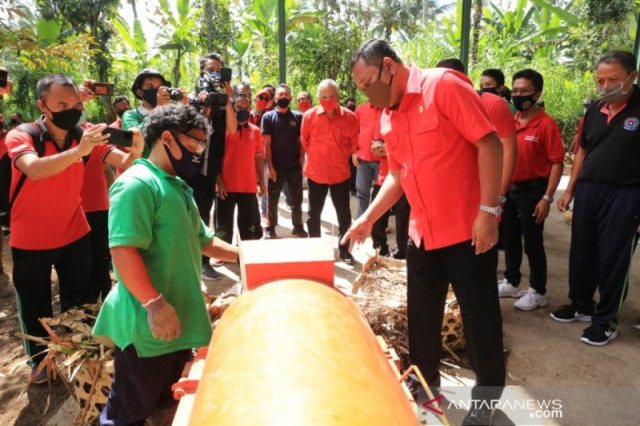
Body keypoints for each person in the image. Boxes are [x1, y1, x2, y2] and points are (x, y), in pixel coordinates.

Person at [347, 39, 505, 425]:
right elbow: (398, 176)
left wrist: (488, 212)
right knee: (421, 318)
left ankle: (485, 404)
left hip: (468, 231)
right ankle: (425, 385)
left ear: (388, 66)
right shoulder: (387, 115)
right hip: (422, 234)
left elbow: (490, 144)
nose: (366, 93)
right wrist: (368, 217)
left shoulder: (444, 86)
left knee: (479, 319)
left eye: (368, 83)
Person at [94, 104, 239, 425]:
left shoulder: (176, 186)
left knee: (165, 400)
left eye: (203, 145)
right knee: (127, 411)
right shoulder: (138, 184)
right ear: (167, 138)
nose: (200, 152)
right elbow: (123, 251)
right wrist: (156, 304)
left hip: (178, 320)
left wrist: (247, 256)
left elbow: (202, 240)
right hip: (148, 323)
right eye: (195, 143)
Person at [4, 74, 121, 382]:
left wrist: (136, 150)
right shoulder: (22, 135)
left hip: (75, 234)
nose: (71, 110)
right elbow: (34, 168)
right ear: (43, 104)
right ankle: (41, 365)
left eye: (76, 104)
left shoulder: (83, 136)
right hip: (30, 240)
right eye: (62, 104)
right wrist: (78, 152)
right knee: (35, 306)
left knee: (78, 301)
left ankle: (74, 355)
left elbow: (121, 159)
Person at [553, 51, 640, 346]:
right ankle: (581, 304)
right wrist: (570, 189)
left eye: (613, 80)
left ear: (633, 76)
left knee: (613, 257)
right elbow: (582, 151)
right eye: (600, 81)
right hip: (590, 190)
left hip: (627, 193)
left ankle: (606, 321)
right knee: (582, 250)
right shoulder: (595, 109)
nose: (605, 86)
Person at [496, 69, 564, 310]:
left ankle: (538, 291)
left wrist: (547, 198)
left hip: (533, 192)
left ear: (537, 94)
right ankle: (511, 282)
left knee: (533, 242)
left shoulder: (546, 125)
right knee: (510, 237)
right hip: (510, 190)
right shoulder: (510, 122)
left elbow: (557, 162)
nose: (518, 95)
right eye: (514, 91)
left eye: (524, 91)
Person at [436, 58, 517, 219]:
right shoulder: (437, 105)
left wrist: (498, 199)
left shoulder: (493, 104)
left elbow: (508, 151)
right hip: (450, 194)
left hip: (482, 194)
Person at [188, 53, 236, 279]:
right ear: (201, 72)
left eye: (218, 69)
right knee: (186, 215)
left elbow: (233, 129)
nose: (214, 73)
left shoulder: (223, 102)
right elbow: (190, 129)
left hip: (209, 171)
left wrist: (227, 100)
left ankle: (203, 262)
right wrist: (202, 106)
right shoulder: (191, 99)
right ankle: (187, 261)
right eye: (210, 69)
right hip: (189, 170)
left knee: (204, 215)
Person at [302, 79, 358, 264]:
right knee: (313, 214)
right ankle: (315, 250)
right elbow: (305, 141)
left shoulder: (350, 117)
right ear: (318, 97)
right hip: (316, 174)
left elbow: (353, 144)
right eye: (324, 97)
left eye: (332, 96)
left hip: (340, 174)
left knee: (343, 215)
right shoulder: (309, 116)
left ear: (338, 96)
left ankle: (344, 251)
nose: (328, 100)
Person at [215, 93, 264, 244]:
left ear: (250, 109)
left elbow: (258, 158)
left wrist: (262, 181)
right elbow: (215, 158)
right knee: (223, 223)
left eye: (246, 107)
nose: (243, 110)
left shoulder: (255, 131)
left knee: (247, 224)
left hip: (248, 186)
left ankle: (245, 252)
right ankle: (223, 253)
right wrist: (218, 182)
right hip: (226, 186)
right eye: (238, 107)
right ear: (232, 108)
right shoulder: (223, 130)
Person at [262, 84, 307, 239]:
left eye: (286, 95)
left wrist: (301, 162)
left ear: (291, 98)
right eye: (280, 95)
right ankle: (270, 227)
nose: (283, 97)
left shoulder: (298, 117)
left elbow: (301, 142)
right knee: (272, 200)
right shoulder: (268, 117)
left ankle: (298, 227)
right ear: (275, 98)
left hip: (294, 167)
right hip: (276, 168)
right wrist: (270, 167)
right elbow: (266, 144)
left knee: (296, 200)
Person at [123, 69, 188, 157]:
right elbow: (133, 140)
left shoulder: (172, 112)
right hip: (145, 167)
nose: (156, 90)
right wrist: (158, 110)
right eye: (150, 87)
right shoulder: (130, 115)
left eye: (160, 87)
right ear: (140, 92)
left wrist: (185, 107)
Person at [370, 141, 410, 259]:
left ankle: (402, 252)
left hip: (405, 178)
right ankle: (380, 249)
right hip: (385, 177)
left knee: (403, 217)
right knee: (377, 216)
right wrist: (390, 147)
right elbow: (375, 149)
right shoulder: (384, 123)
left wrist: (386, 148)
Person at [353, 101, 382, 218]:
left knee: (381, 195)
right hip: (363, 160)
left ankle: (378, 225)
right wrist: (354, 153)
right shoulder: (361, 110)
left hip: (383, 161)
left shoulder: (389, 109)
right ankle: (361, 222)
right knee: (362, 193)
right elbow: (354, 132)